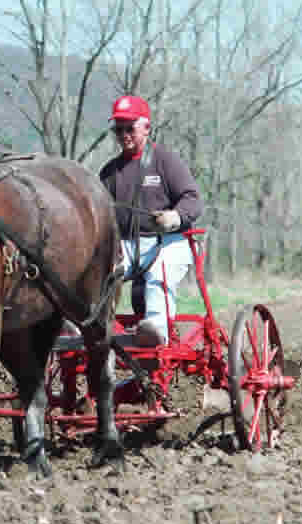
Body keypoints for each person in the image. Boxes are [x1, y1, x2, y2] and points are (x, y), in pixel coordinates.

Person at [99, 95, 203, 346]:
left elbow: (192, 199)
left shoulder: (166, 161)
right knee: (97, 274)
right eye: (118, 129)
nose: (124, 134)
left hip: (170, 242)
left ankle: (155, 333)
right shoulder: (109, 172)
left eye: (129, 128)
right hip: (127, 245)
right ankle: (92, 330)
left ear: (146, 128)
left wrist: (175, 217)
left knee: (159, 276)